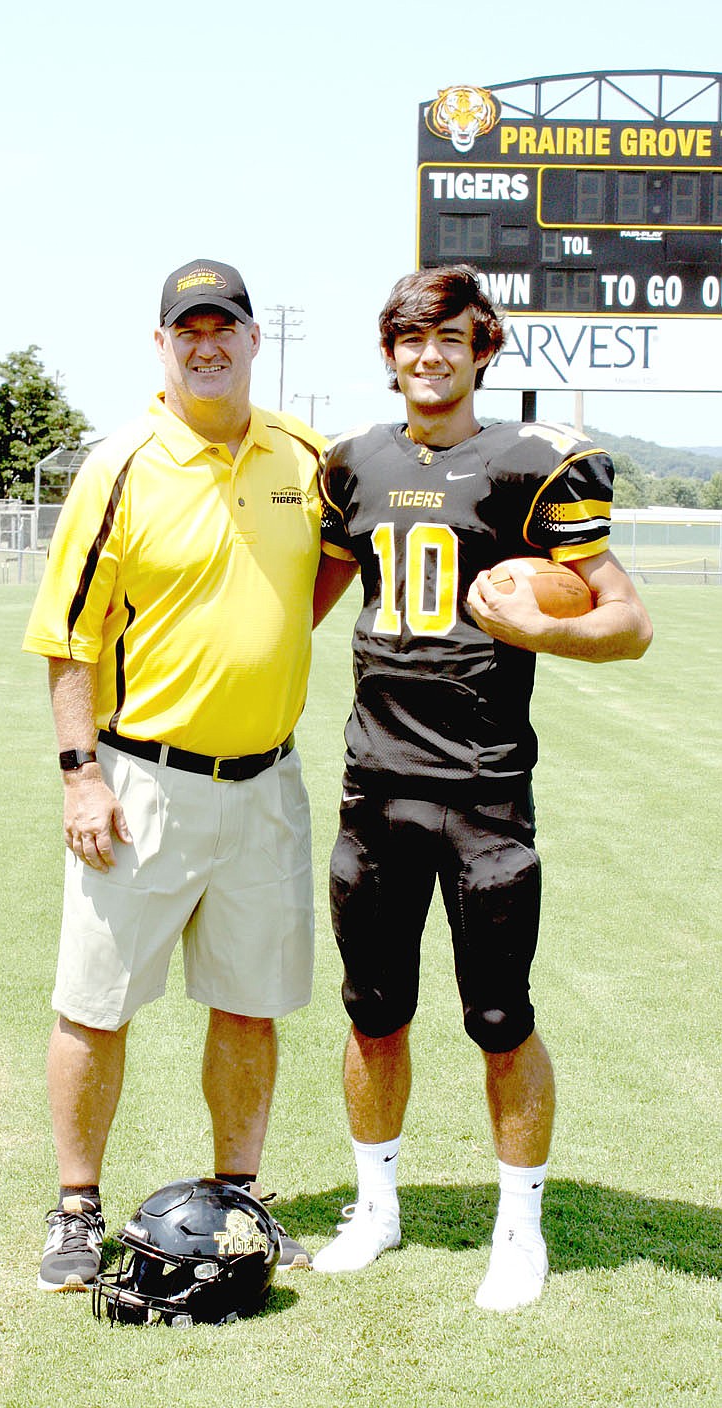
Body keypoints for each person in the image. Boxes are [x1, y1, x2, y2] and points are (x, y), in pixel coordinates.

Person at [312, 264, 653, 1310]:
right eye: (411, 339)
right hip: (375, 780)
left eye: (450, 339)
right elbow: (311, 602)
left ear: (482, 349)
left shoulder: (531, 464)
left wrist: (545, 629)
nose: (429, 355)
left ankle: (519, 1225)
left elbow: (626, 622)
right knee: (373, 1011)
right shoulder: (355, 463)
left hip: (481, 789)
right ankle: (376, 1207)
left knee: (498, 1016)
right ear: (388, 351)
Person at [23, 258, 346, 1292]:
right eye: (187, 329)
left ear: (255, 339)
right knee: (95, 1001)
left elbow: (335, 557)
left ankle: (237, 1195)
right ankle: (77, 1209)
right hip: (142, 779)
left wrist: (270, 643)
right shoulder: (120, 463)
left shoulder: (304, 455)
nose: (207, 344)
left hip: (267, 784)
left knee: (248, 1003)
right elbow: (68, 637)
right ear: (162, 345)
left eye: (226, 326)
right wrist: (82, 774)